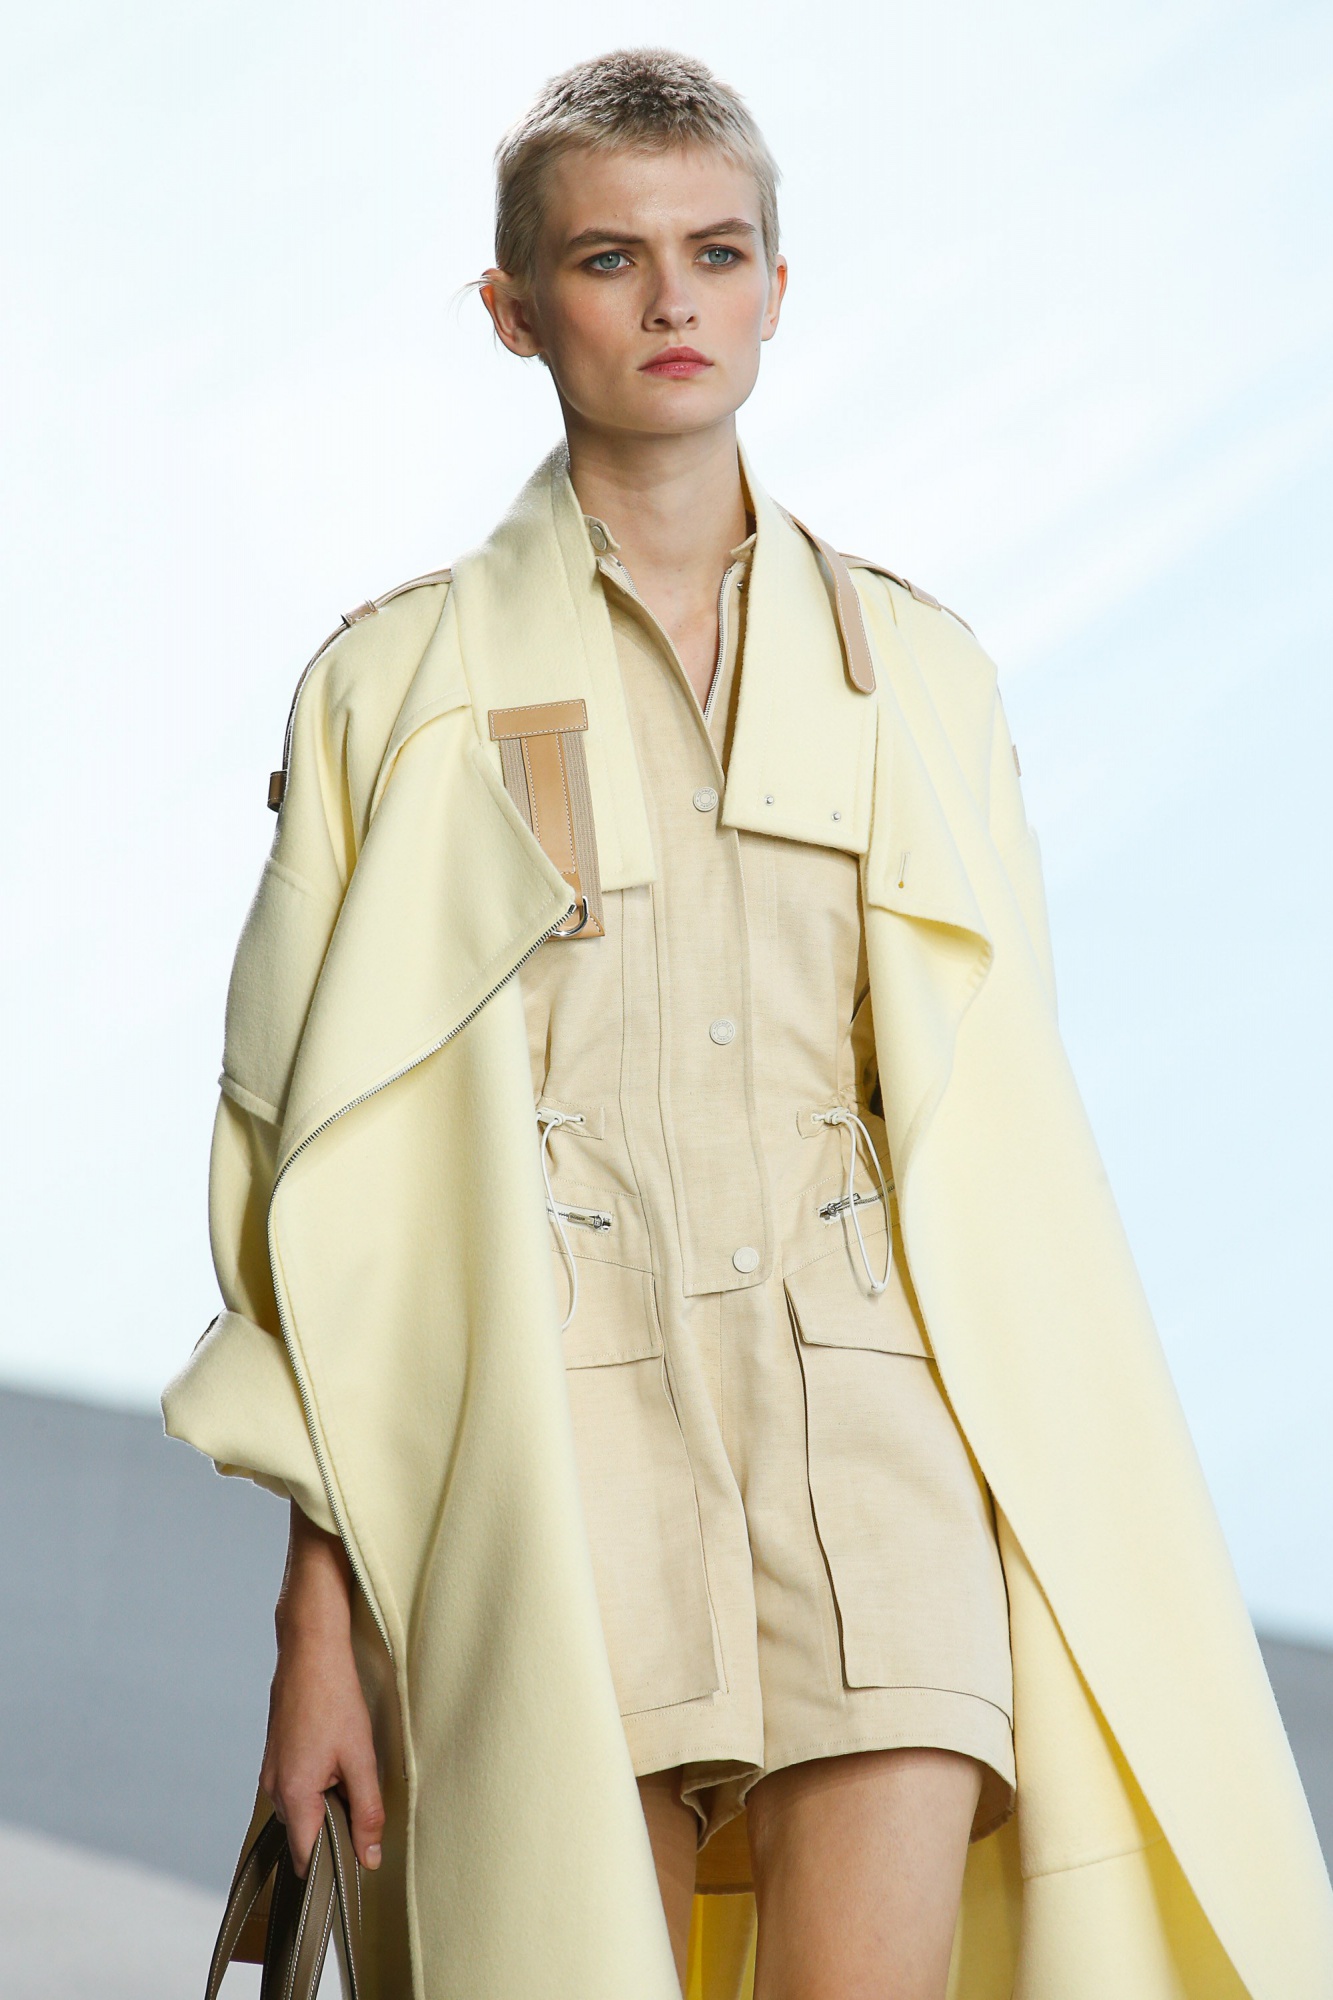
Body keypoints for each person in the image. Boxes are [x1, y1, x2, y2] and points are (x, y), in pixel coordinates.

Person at [164, 47, 1333, 2000]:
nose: (672, 300)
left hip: (876, 1450)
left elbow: (1001, 1144)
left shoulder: (921, 679)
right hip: (536, 1461)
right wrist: (312, 1630)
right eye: (607, 258)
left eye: (715, 252)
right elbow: (314, 1197)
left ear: (777, 289)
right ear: (513, 308)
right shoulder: (392, 691)